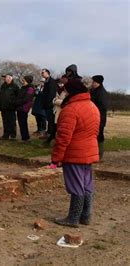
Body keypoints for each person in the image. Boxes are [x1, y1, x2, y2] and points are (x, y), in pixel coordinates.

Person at [52, 78, 100, 227]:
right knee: (87, 185)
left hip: (75, 154)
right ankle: (85, 217)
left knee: (76, 186)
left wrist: (56, 159)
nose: (63, 92)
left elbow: (63, 138)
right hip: (89, 152)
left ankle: (72, 219)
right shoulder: (92, 106)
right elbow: (96, 131)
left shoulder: (71, 109)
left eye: (65, 90)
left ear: (71, 91)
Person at [90, 75, 108, 160]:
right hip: (93, 117)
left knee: (99, 136)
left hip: (99, 118)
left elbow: (103, 107)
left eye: (93, 82)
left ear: (98, 83)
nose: (92, 83)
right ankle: (93, 154)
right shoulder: (93, 91)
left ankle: (99, 156)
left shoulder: (102, 93)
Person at [40, 69, 58, 146]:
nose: (42, 74)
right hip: (46, 104)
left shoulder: (51, 81)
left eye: (43, 72)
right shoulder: (47, 81)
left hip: (50, 105)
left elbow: (51, 94)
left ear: (48, 73)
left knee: (51, 120)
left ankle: (51, 135)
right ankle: (49, 134)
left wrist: (48, 103)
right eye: (41, 73)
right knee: (48, 120)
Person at [0, 74, 19, 140]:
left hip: (11, 108)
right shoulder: (3, 86)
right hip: (3, 107)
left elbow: (18, 97)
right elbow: (1, 96)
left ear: (11, 78)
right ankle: (5, 135)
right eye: (5, 78)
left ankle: (13, 136)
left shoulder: (15, 86)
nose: (6, 79)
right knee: (5, 122)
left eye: (7, 77)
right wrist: (0, 105)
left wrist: (14, 104)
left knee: (12, 122)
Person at [15, 76, 35, 142]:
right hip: (19, 107)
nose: (22, 82)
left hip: (24, 108)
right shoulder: (23, 88)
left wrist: (17, 102)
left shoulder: (30, 88)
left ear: (28, 81)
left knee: (23, 123)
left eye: (24, 80)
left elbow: (26, 99)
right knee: (21, 123)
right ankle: (25, 137)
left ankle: (25, 138)